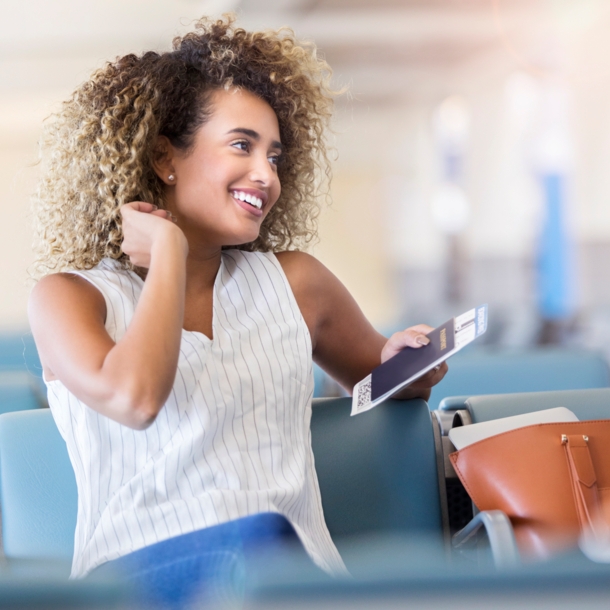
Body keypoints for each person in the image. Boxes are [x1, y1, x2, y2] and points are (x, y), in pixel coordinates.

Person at [28, 15, 447, 607]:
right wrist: (169, 250)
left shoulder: (296, 282)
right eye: (242, 146)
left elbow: (378, 378)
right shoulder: (69, 297)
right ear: (164, 157)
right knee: (260, 543)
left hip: (284, 567)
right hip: (136, 577)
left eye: (274, 156)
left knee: (269, 546)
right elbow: (135, 398)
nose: (266, 175)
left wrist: (407, 362)